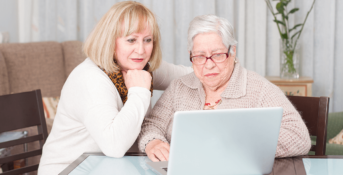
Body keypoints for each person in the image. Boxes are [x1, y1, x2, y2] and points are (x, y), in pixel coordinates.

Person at [38, 1, 192, 174]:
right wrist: (139, 91)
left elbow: (190, 74)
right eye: (131, 40)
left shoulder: (141, 66)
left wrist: (222, 62)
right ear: (111, 41)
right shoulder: (90, 78)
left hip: (109, 168)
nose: (141, 50)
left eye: (147, 40)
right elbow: (115, 146)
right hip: (70, 170)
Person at [139, 14, 312, 162]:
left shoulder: (258, 89)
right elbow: (152, 125)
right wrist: (153, 142)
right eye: (199, 56)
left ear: (233, 51)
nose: (209, 65)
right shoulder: (179, 87)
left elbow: (299, 137)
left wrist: (238, 146)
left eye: (217, 55)